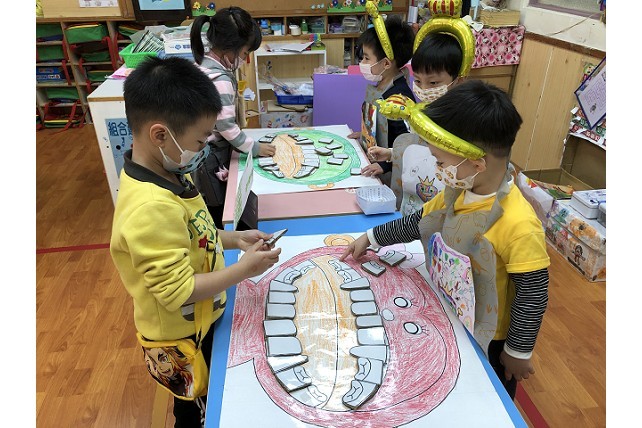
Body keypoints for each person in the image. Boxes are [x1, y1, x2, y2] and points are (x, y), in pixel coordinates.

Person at [341, 80, 550, 400]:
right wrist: (371, 237)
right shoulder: (457, 191)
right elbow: (420, 222)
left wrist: (517, 351)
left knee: (485, 397)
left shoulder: (518, 224)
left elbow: (532, 293)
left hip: (490, 338)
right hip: (451, 309)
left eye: (440, 162)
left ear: (477, 164)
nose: (437, 170)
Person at [110, 56, 281, 427]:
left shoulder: (167, 171)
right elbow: (178, 291)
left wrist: (234, 238)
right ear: (160, 135)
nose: (204, 147)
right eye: (201, 140)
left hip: (202, 321)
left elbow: (195, 234)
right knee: (196, 409)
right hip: (184, 338)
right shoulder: (150, 207)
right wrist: (243, 270)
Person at [190, 7, 276, 229]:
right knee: (219, 208)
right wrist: (254, 147)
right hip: (210, 157)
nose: (245, 60)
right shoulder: (220, 79)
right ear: (230, 49)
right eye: (245, 53)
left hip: (199, 152)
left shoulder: (202, 64)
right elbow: (226, 126)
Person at [367, 32, 468, 214]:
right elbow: (421, 148)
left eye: (433, 82)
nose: (424, 89)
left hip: (443, 206)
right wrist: (392, 154)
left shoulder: (462, 122)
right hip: (413, 202)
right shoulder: (422, 112)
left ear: (458, 81)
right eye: (419, 81)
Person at [349, 1, 415, 185]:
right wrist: (365, 135)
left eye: (366, 58)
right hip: (374, 160)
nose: (362, 63)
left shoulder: (399, 98)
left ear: (386, 63)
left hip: (391, 174)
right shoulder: (380, 85)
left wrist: (385, 166)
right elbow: (377, 123)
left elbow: (407, 142)